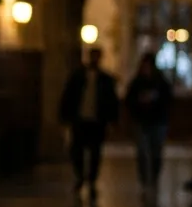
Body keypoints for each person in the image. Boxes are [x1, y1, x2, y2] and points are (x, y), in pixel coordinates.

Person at [58, 47, 119, 196]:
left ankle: (91, 180)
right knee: (77, 151)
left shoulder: (105, 79)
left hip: (97, 122)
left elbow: (112, 102)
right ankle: (80, 177)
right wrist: (65, 117)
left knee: (95, 153)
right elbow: (68, 97)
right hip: (80, 120)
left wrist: (111, 121)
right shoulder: (77, 77)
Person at [124, 52, 174, 194]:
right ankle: (145, 178)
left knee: (156, 151)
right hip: (141, 122)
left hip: (158, 121)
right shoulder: (137, 82)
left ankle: (153, 176)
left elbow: (168, 99)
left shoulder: (160, 82)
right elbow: (129, 100)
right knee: (142, 151)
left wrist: (155, 102)